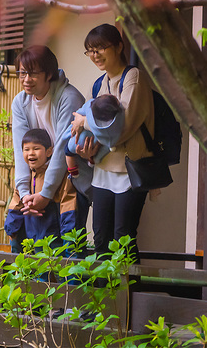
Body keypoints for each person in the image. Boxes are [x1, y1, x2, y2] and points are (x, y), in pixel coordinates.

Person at [72, 23, 154, 261]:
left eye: (100, 48)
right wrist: (86, 150)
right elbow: (84, 124)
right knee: (100, 239)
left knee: (123, 239)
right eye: (90, 50)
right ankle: (104, 297)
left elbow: (121, 129)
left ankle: (129, 298)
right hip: (102, 171)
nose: (95, 55)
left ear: (119, 46)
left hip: (130, 170)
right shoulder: (98, 84)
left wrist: (85, 123)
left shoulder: (133, 77)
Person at [10, 46, 90, 242]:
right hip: (37, 183)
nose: (26, 79)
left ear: (49, 74)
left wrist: (45, 194)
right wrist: (25, 195)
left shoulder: (68, 97)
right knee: (33, 246)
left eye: (33, 73)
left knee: (68, 244)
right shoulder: (20, 102)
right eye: (22, 73)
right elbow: (21, 149)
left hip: (69, 180)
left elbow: (64, 146)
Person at [3, 129, 70, 251]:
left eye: (36, 149)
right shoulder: (25, 178)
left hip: (52, 239)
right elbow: (15, 205)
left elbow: (67, 207)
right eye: (26, 149)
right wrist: (11, 230)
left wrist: (67, 236)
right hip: (28, 237)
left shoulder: (56, 177)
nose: (31, 153)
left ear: (49, 151)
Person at [66, 94, 124, 173]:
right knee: (105, 149)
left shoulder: (92, 106)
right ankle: (92, 161)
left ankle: (72, 170)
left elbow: (78, 114)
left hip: (78, 141)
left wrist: (82, 121)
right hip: (95, 146)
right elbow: (110, 146)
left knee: (68, 149)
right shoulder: (113, 130)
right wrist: (95, 159)